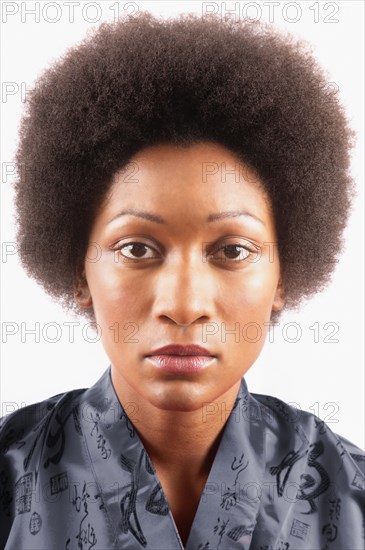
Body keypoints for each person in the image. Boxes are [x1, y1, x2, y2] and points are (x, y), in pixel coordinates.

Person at [0, 11, 364, 550]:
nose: (185, 303)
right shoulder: (10, 484)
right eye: (137, 248)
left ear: (284, 274)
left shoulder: (352, 496)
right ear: (80, 272)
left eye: (233, 250)